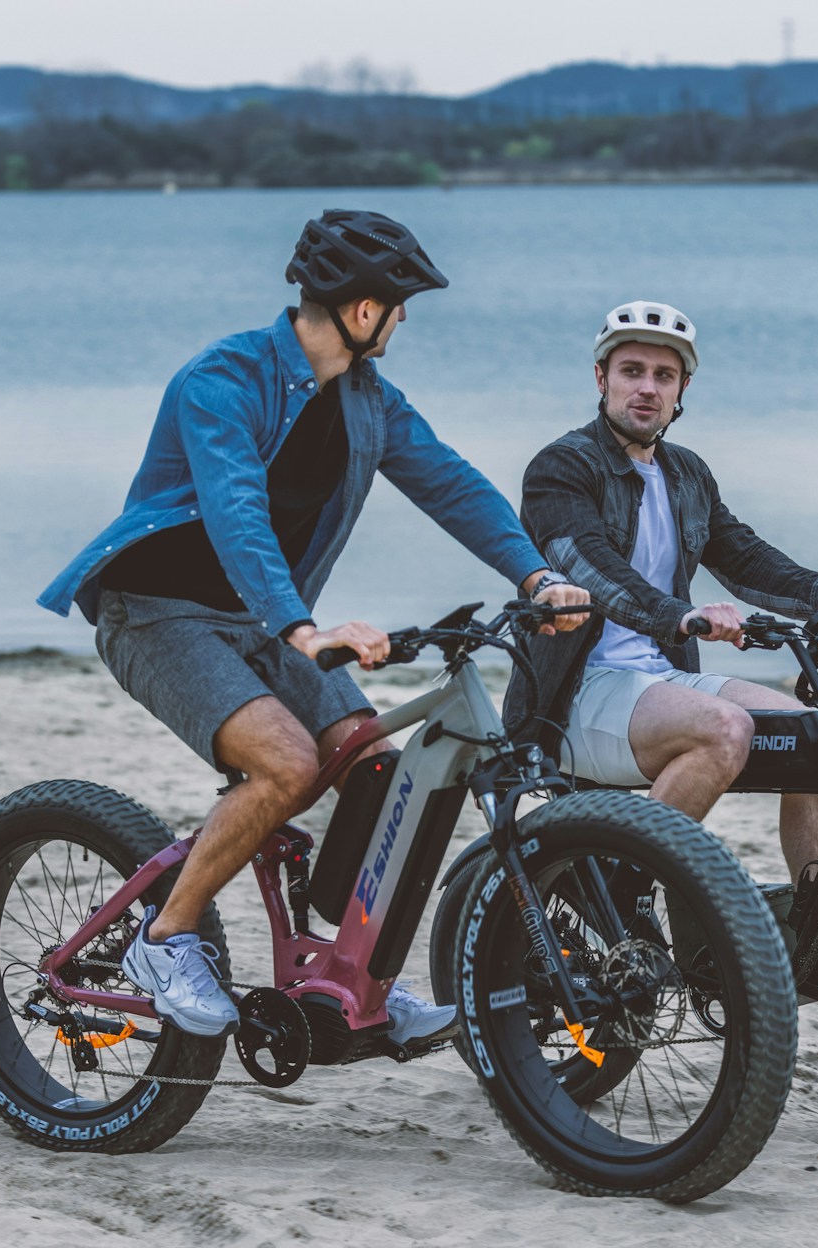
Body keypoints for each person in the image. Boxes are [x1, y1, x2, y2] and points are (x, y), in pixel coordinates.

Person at [38, 210, 590, 1043]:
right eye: (400, 304)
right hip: (160, 613)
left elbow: (451, 483)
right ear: (364, 311)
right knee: (286, 766)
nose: (405, 319)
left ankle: (351, 972)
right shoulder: (222, 380)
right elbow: (236, 511)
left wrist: (536, 573)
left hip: (261, 618)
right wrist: (300, 625)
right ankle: (164, 938)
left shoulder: (368, 401)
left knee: (375, 760)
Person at [509, 299, 818, 915]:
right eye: (631, 371)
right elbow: (591, 568)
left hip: (662, 681)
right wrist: (677, 615)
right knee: (724, 729)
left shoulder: (686, 474)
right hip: (575, 694)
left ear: (682, 389)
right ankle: (626, 890)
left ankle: (811, 922)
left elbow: (743, 555)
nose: (646, 388)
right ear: (601, 378)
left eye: (664, 375)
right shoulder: (563, 467)